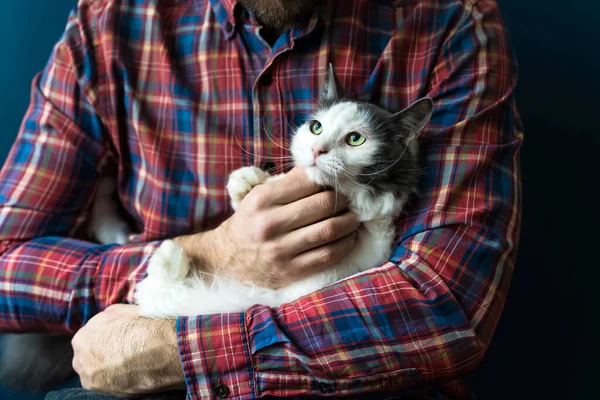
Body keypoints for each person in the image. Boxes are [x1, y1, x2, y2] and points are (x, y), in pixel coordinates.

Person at [0, 0, 522, 399]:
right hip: (158, 340)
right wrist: (214, 251)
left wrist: (177, 352)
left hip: (368, 381)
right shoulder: (108, 25)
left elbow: (447, 304)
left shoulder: (451, 22)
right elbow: (5, 260)